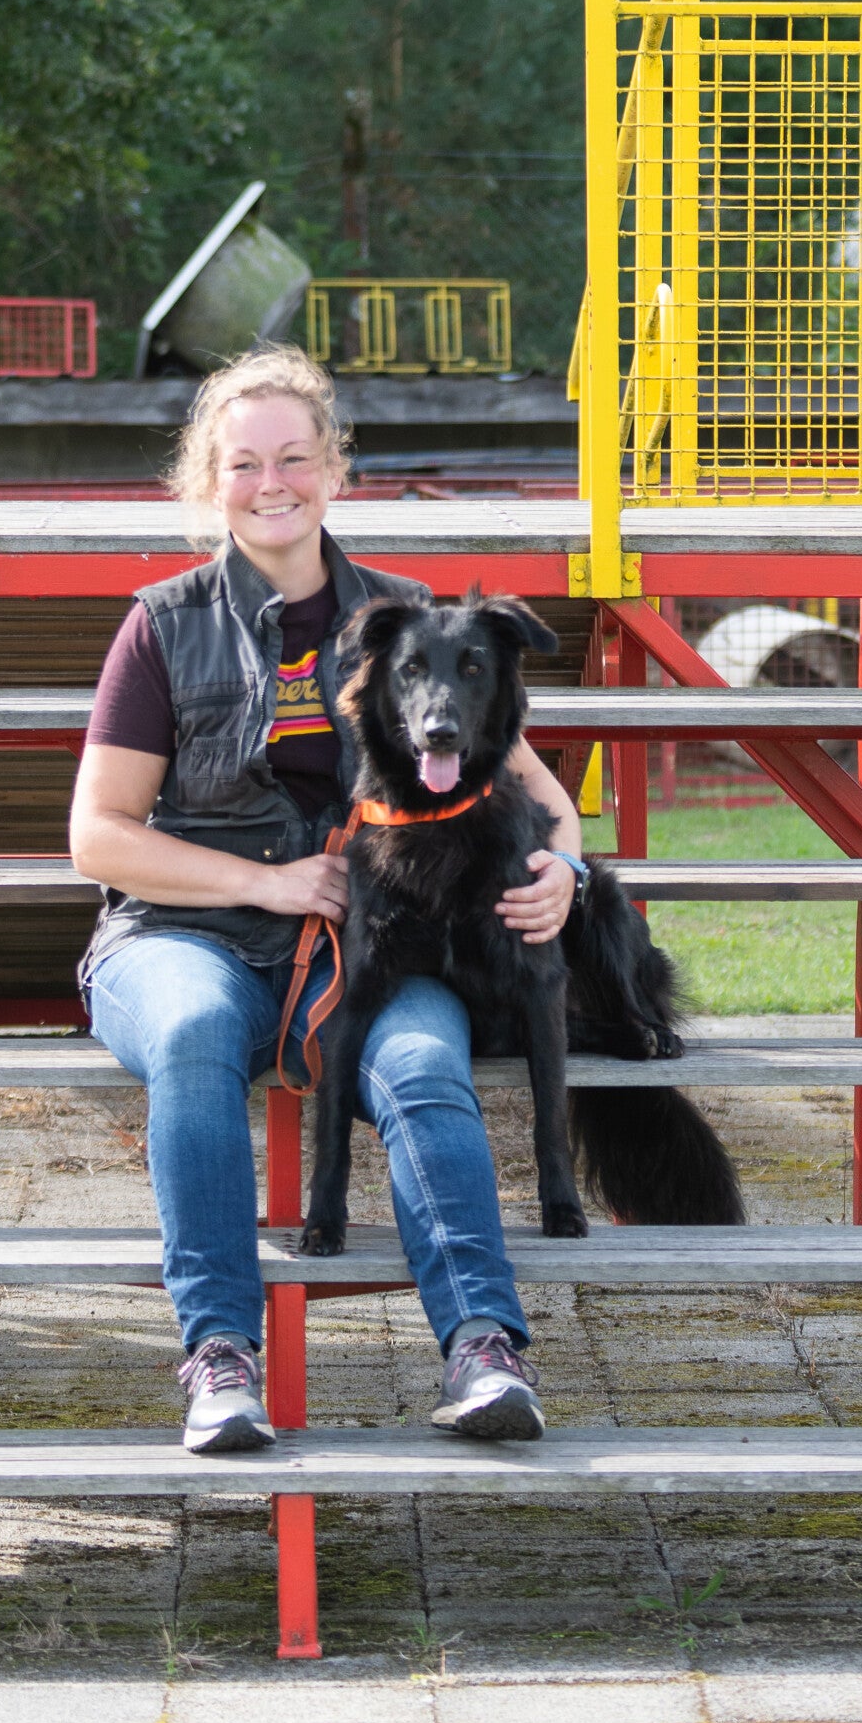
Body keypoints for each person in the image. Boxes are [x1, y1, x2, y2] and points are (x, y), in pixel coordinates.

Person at [69, 342, 588, 1456]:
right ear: (209, 482)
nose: (274, 484)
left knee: (423, 1061)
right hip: (181, 933)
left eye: (295, 458)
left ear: (336, 469)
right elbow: (96, 836)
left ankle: (484, 1348)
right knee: (196, 1034)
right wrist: (265, 881)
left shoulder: (409, 624)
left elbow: (545, 797)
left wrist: (565, 874)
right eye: (245, 463)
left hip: (368, 947)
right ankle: (221, 1356)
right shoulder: (162, 624)